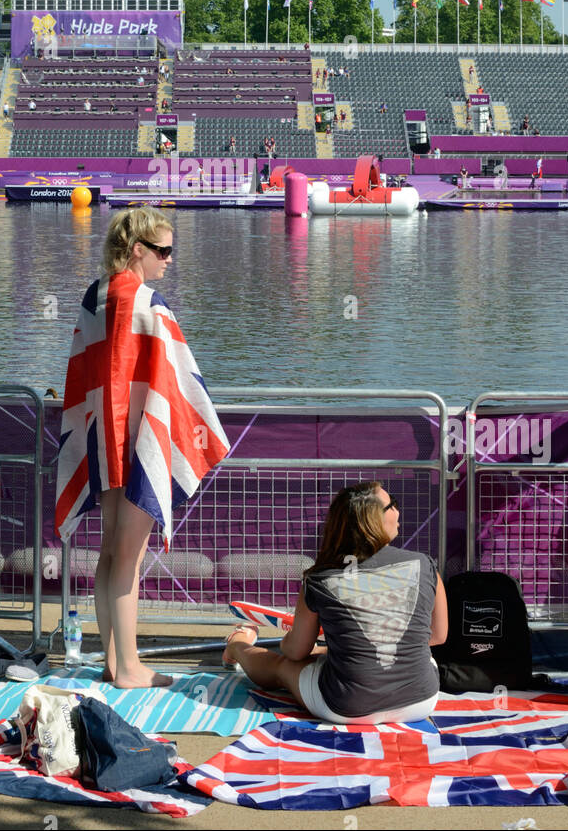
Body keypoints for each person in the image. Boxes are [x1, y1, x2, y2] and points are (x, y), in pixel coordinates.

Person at [55, 208, 230, 689]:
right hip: (139, 441)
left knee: (110, 551)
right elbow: (176, 384)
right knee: (128, 555)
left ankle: (113, 661)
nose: (170, 260)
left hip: (103, 438)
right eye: (164, 251)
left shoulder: (93, 298)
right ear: (138, 250)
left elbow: (81, 373)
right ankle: (130, 668)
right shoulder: (151, 303)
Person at [223, 484, 447, 722]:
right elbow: (437, 635)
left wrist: (294, 641)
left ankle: (236, 646)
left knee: (282, 667)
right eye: (392, 505)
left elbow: (296, 652)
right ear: (373, 520)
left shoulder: (321, 578)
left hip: (346, 707)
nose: (399, 512)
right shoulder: (425, 565)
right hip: (421, 702)